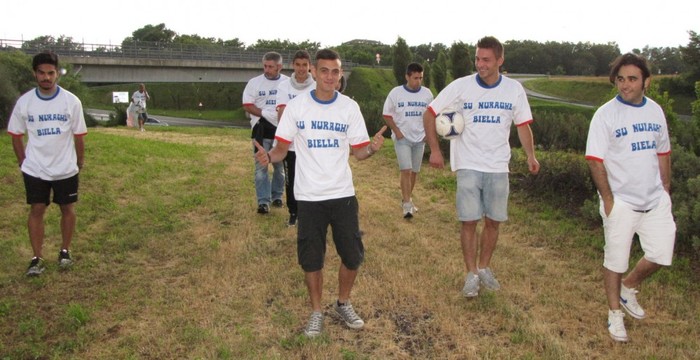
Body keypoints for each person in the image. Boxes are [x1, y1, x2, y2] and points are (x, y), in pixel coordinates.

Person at [254, 49, 387, 338]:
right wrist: (269, 157)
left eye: (335, 72)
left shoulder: (349, 108)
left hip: (342, 194)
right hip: (309, 197)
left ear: (341, 75)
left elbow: (358, 152)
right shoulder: (297, 107)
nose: (329, 77)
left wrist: (372, 149)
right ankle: (316, 312)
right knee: (311, 259)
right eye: (324, 70)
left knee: (352, 255)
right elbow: (280, 148)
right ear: (313, 72)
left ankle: (343, 302)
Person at [423, 36, 540, 298]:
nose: (480, 64)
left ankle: (484, 267)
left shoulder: (513, 90)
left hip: (499, 166)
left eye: (486, 59)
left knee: (493, 221)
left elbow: (523, 125)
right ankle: (471, 274)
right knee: (468, 221)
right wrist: (435, 150)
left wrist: (531, 156)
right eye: (477, 58)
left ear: (500, 60)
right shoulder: (461, 86)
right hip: (468, 164)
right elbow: (429, 113)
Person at [585, 53, 676, 343]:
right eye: (621, 79)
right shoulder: (605, 114)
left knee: (661, 254)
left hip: (655, 200)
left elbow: (663, 152)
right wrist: (609, 200)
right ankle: (614, 315)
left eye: (632, 79)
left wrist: (665, 188)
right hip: (621, 202)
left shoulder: (655, 111)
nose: (625, 85)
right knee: (615, 260)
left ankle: (629, 287)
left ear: (646, 81)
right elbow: (594, 159)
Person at [7, 51, 87, 276]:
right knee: (37, 209)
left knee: (67, 209)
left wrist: (79, 162)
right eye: (41, 73)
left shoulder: (71, 101)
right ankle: (36, 258)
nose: (46, 77)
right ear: (35, 74)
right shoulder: (25, 102)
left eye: (50, 73)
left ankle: (64, 252)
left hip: (65, 168)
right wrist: (24, 162)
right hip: (35, 169)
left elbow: (79, 135)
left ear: (57, 74)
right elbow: (15, 134)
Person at [383, 62, 433, 218]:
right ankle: (406, 205)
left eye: (421, 78)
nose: (418, 81)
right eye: (415, 78)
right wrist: (396, 131)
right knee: (406, 170)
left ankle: (407, 199)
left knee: (414, 172)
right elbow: (386, 114)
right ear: (407, 76)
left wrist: (428, 134)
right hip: (402, 138)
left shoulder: (427, 94)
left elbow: (431, 115)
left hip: (420, 139)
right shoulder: (396, 93)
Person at [242, 52, 289, 214]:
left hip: (280, 131)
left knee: (280, 168)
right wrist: (265, 113)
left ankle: (277, 196)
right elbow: (247, 105)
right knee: (261, 167)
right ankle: (263, 202)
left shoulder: (287, 83)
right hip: (260, 130)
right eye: (265, 66)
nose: (267, 70)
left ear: (279, 67)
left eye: (271, 67)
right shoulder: (254, 83)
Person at [275, 50, 316, 226]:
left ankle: (311, 213)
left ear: (309, 67)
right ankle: (294, 213)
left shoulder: (315, 86)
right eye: (298, 65)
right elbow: (282, 113)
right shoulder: (284, 87)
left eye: (304, 65)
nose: (301, 69)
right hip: (291, 144)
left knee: (311, 178)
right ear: (293, 65)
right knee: (291, 179)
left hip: (311, 144)